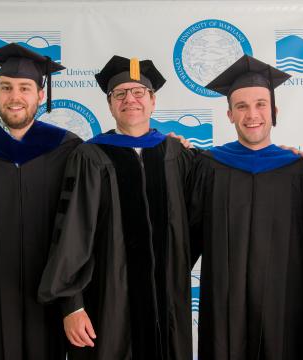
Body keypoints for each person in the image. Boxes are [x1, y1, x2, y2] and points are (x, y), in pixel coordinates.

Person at [38, 55, 194, 360]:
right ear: (110, 105)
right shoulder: (90, 157)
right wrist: (72, 305)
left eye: (138, 92)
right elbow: (71, 235)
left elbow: (206, 210)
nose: (129, 100)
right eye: (119, 94)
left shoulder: (177, 155)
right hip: (109, 305)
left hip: (166, 305)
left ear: (152, 101)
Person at [0, 43, 81, 360]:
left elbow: (83, 233)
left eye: (25, 88)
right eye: (6, 87)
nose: (15, 96)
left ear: (40, 95)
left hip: (48, 304)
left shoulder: (69, 151)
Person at [187, 54, 303, 359]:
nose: (252, 114)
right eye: (241, 106)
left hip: (284, 310)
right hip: (223, 312)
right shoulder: (208, 167)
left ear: (274, 111)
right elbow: (183, 240)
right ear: (230, 114)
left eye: (260, 104)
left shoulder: (300, 171)